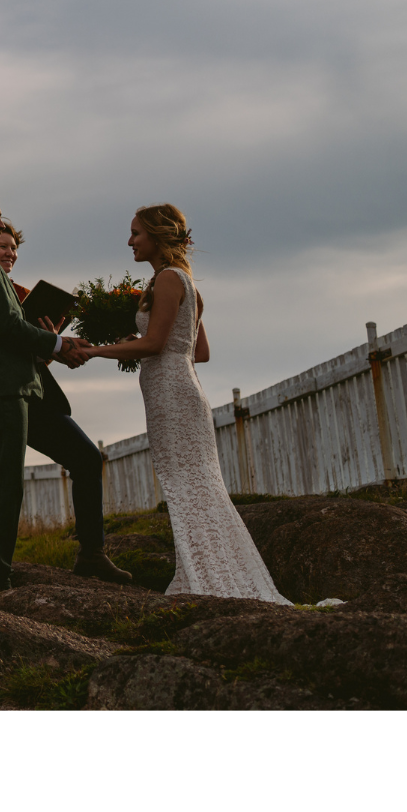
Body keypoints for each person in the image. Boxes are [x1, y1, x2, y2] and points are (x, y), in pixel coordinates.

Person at [69, 204, 289, 603]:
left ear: (156, 235)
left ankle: (209, 582)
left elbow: (154, 344)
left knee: (187, 486)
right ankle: (205, 574)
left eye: (136, 233)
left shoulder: (168, 279)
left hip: (171, 392)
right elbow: (199, 351)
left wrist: (97, 350)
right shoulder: (182, 281)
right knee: (194, 486)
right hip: (181, 385)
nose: (130, 241)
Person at [0, 191, 132, 594]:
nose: (0, 221)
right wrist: (57, 344)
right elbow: (5, 327)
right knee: (2, 483)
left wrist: (52, 344)